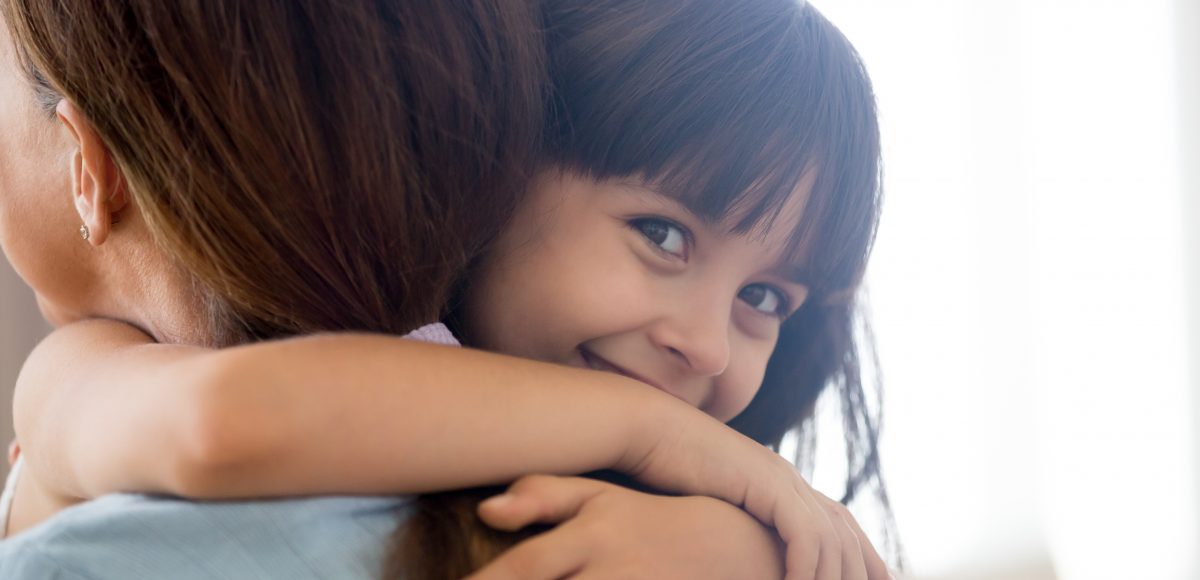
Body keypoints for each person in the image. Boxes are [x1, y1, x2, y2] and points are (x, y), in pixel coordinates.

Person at [0, 0, 889, 579]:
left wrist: (749, 551)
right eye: (662, 236)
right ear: (498, 171)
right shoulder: (93, 364)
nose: (709, 345)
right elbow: (222, 425)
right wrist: (659, 436)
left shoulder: (703, 508)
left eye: (766, 299)